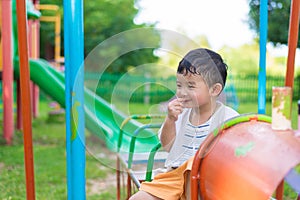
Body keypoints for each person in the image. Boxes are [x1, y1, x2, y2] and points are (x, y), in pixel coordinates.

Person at [129, 48, 239, 200]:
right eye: (179, 85)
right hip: (174, 177)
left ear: (214, 90)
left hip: (208, 182)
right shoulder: (181, 113)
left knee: (194, 164)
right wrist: (170, 120)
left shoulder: (229, 118)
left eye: (191, 86)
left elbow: (237, 154)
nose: (182, 92)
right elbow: (168, 146)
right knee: (137, 199)